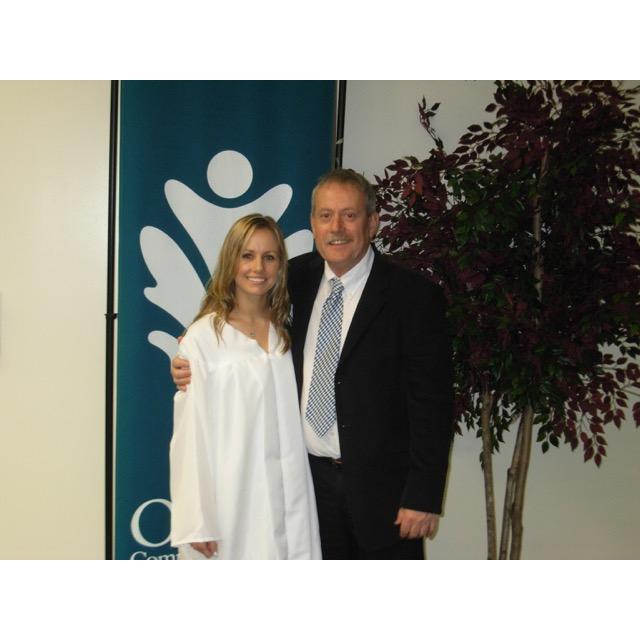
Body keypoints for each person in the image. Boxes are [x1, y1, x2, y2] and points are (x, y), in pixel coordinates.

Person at [173, 169, 454, 559]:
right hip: (305, 489)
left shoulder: (414, 297)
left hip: (385, 499)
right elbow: (237, 324)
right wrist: (192, 355)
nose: (336, 227)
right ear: (312, 223)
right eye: (325, 215)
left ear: (373, 222)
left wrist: (422, 496)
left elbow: (432, 405)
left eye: (349, 215)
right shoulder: (293, 280)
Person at [170, 213, 321, 560]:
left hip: (290, 496)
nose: (258, 267)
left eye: (269, 257)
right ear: (231, 260)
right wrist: (197, 520)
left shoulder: (286, 335)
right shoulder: (204, 338)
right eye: (247, 255)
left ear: (281, 265)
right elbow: (189, 437)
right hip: (231, 499)